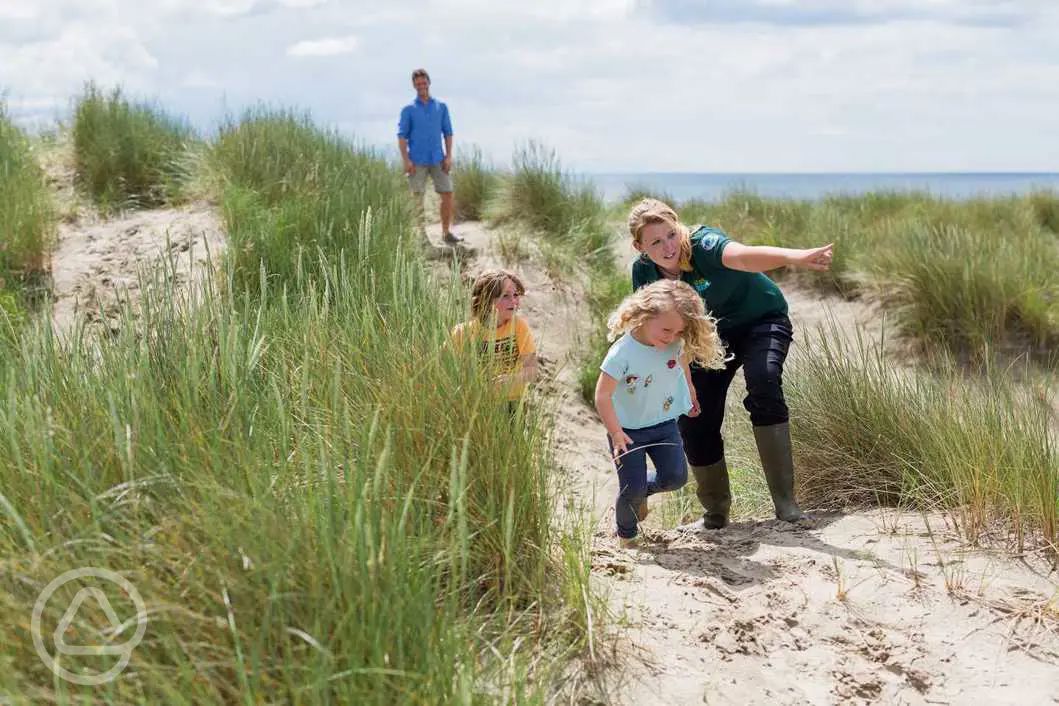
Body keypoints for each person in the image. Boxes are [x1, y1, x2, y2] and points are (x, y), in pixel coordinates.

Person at [627, 198, 833, 529]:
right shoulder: (644, 274)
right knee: (693, 416)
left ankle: (786, 504)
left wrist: (796, 257)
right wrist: (685, 382)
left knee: (764, 383)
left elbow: (744, 256)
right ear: (639, 246)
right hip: (706, 338)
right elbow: (659, 332)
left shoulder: (703, 244)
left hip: (760, 321)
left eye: (671, 234)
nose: (668, 247)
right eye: (655, 241)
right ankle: (716, 514)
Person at [594, 279, 727, 547]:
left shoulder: (674, 343)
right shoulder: (622, 353)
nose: (671, 337)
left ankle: (639, 492)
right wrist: (616, 433)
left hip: (664, 424)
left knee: (675, 477)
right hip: (627, 431)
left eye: (678, 332)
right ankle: (627, 538)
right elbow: (602, 395)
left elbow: (681, 364)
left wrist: (688, 390)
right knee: (631, 490)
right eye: (667, 329)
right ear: (644, 316)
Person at [451, 269, 538, 409]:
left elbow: (532, 370)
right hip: (477, 403)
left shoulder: (519, 327)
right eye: (505, 296)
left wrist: (511, 380)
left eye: (516, 295)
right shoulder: (463, 332)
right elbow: (440, 364)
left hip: (512, 403)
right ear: (487, 300)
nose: (514, 301)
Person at [397, 68, 463, 251]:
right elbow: (402, 136)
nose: (421, 86)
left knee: (447, 193)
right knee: (417, 198)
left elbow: (448, 133)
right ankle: (421, 236)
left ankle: (446, 232)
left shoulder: (441, 107)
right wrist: (406, 160)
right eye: (418, 84)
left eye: (424, 83)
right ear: (414, 86)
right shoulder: (408, 110)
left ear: (429, 83)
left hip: (437, 159)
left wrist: (448, 156)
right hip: (416, 161)